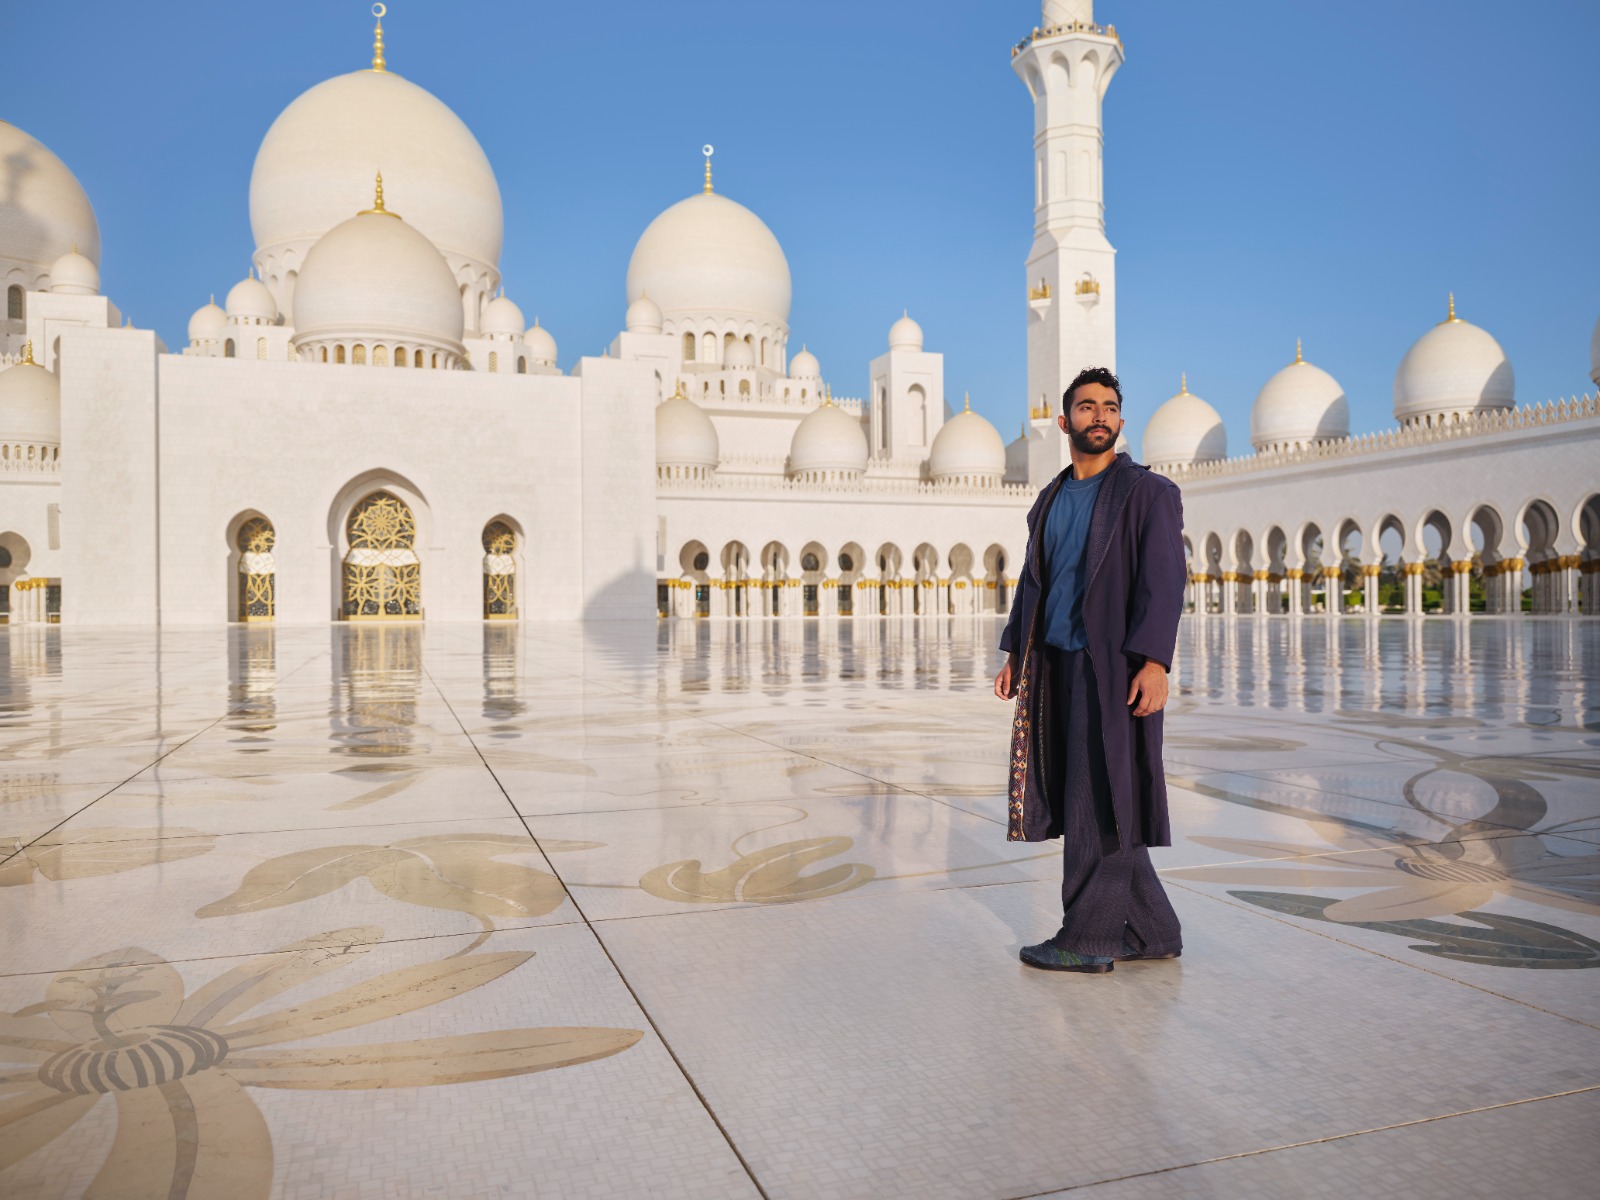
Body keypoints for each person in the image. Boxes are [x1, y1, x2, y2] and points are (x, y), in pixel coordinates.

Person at [994, 366, 1187, 973]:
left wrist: (1154, 662)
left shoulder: (1148, 494)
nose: (1098, 416)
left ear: (1121, 421)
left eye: (1108, 407)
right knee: (1106, 797)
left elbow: (1164, 582)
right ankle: (1155, 930)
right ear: (1064, 420)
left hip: (1113, 670)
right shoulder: (1049, 499)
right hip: (1056, 667)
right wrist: (1014, 653)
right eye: (1086, 407)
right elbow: (1034, 584)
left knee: (1095, 802)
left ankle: (1089, 937)